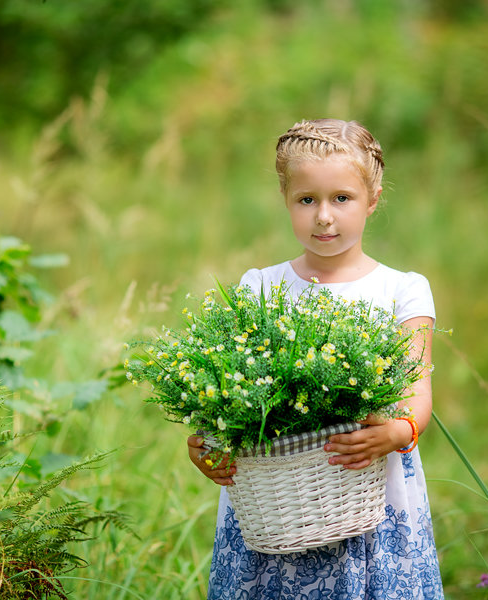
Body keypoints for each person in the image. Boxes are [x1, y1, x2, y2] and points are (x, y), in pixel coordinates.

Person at [186, 118, 444, 599]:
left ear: (373, 198)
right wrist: (205, 440)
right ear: (286, 200)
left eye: (341, 198)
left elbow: (416, 396)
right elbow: (230, 394)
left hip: (367, 494)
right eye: (307, 200)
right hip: (275, 506)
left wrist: (395, 432)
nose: (324, 216)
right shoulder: (260, 287)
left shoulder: (402, 290)